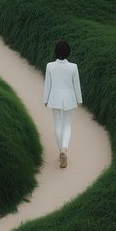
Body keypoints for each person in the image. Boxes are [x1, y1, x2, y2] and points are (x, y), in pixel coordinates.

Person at [42, 40, 82, 168]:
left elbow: (48, 84)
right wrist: (79, 100)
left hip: (54, 97)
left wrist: (45, 99)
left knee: (57, 124)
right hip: (69, 98)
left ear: (55, 52)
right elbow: (76, 85)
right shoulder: (73, 67)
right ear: (68, 52)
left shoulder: (50, 66)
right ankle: (64, 148)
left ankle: (61, 151)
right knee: (67, 124)